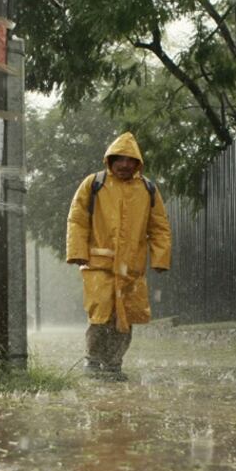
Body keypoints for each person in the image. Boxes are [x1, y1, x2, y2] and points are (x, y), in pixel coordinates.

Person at [66, 132, 171, 382]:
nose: (124, 164)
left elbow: (159, 227)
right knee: (101, 312)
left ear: (137, 163)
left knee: (124, 317)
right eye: (119, 159)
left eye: (129, 159)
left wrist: (160, 258)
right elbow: (77, 219)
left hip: (131, 267)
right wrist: (77, 252)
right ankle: (93, 359)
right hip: (97, 264)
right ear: (110, 160)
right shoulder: (94, 184)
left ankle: (114, 363)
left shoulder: (147, 189)